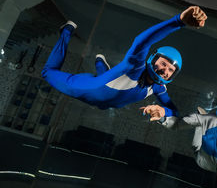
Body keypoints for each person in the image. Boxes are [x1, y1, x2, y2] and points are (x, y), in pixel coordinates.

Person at [42, 6, 207, 116]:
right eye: (163, 64)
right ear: (153, 59)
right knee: (48, 72)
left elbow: (174, 111)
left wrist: (164, 112)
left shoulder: (159, 87)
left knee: (107, 78)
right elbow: (142, 41)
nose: (165, 71)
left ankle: (102, 66)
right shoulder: (135, 67)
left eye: (171, 70)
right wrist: (178, 21)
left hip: (107, 102)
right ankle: (67, 31)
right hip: (86, 89)